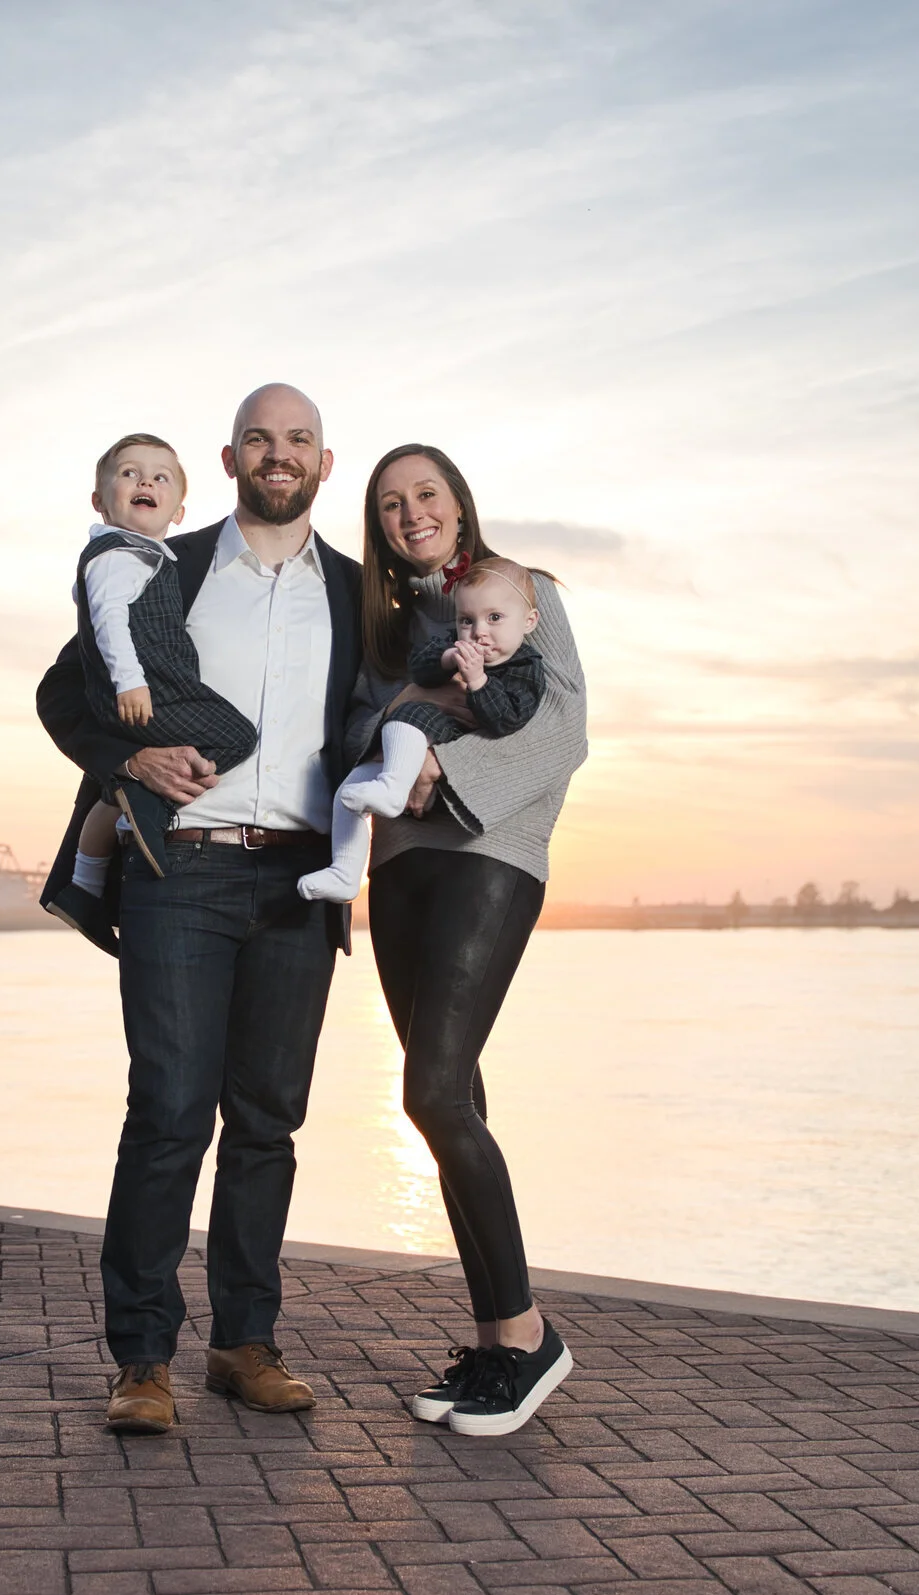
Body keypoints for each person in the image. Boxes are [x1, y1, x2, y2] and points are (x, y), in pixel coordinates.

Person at [34, 384, 366, 1435]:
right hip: (180, 870)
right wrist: (127, 754)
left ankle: (244, 1344)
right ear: (228, 460)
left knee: (266, 1125)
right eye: (261, 439)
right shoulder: (159, 565)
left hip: (303, 877)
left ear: (324, 459)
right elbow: (58, 695)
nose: (281, 454)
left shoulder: (363, 597)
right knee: (168, 1113)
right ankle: (141, 1360)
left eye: (299, 440)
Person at [344, 444, 588, 1437]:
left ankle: (529, 1339)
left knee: (430, 1090)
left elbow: (563, 727)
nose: (412, 514)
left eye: (427, 495)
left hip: (493, 851)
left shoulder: (525, 593)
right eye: (392, 504)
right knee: (455, 1096)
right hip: (399, 868)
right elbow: (358, 737)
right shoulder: (379, 628)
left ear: (458, 502)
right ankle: (494, 1341)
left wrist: (446, 774)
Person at [43, 434, 260, 955]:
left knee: (117, 794)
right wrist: (130, 754)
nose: (145, 482)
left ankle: (86, 885)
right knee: (238, 736)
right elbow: (86, 653)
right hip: (152, 704)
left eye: (160, 477)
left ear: (180, 507)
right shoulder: (123, 557)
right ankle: (142, 807)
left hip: (286, 873)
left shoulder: (144, 557)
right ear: (100, 500)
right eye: (129, 473)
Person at [299, 557, 547, 902]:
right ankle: (344, 871)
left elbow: (506, 720)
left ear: (529, 621)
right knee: (349, 790)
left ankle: (391, 788)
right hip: (404, 750)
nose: (479, 631)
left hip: (447, 743)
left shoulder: (526, 668)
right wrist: (447, 660)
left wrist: (477, 680)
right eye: (466, 620)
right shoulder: (454, 643)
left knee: (409, 712)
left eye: (494, 618)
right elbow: (421, 666)